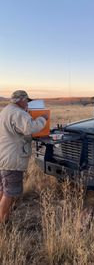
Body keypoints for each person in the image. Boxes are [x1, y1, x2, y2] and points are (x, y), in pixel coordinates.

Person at [0, 90, 48, 223]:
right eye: (26, 100)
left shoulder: (5, 111)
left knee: (3, 189)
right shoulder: (18, 113)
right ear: (21, 100)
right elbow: (30, 128)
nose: (27, 103)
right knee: (9, 193)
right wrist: (43, 118)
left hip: (4, 156)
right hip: (12, 159)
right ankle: (3, 222)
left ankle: (2, 216)